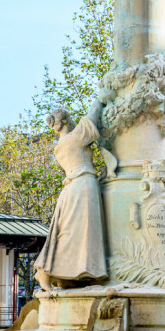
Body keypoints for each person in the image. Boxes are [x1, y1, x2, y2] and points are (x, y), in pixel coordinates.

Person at [34, 100, 108, 290]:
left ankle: (62, 273)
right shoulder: (74, 138)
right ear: (67, 121)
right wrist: (101, 99)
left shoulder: (59, 146)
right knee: (79, 232)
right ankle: (46, 271)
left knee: (72, 232)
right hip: (83, 184)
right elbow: (91, 119)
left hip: (74, 187)